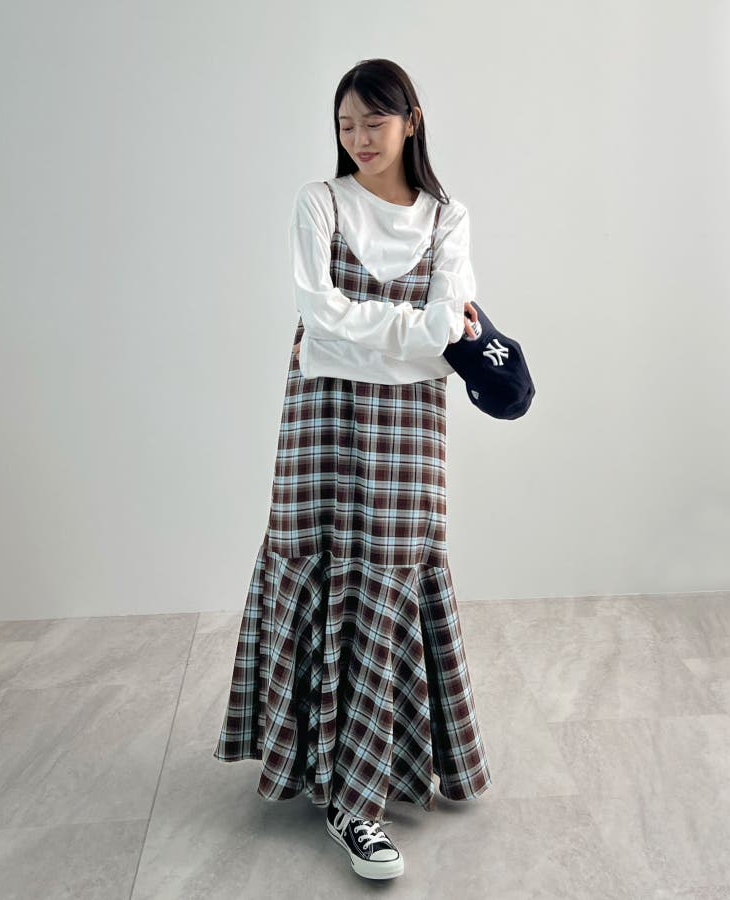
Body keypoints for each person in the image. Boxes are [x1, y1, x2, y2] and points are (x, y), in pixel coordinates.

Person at [214, 58, 492, 882]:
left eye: (374, 121)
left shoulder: (448, 217)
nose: (359, 138)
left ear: (411, 120)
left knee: (393, 574)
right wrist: (414, 335)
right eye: (346, 125)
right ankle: (329, 779)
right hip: (322, 420)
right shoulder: (321, 202)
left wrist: (365, 336)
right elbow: (318, 315)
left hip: (409, 426)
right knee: (319, 558)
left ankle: (359, 794)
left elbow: (439, 328)